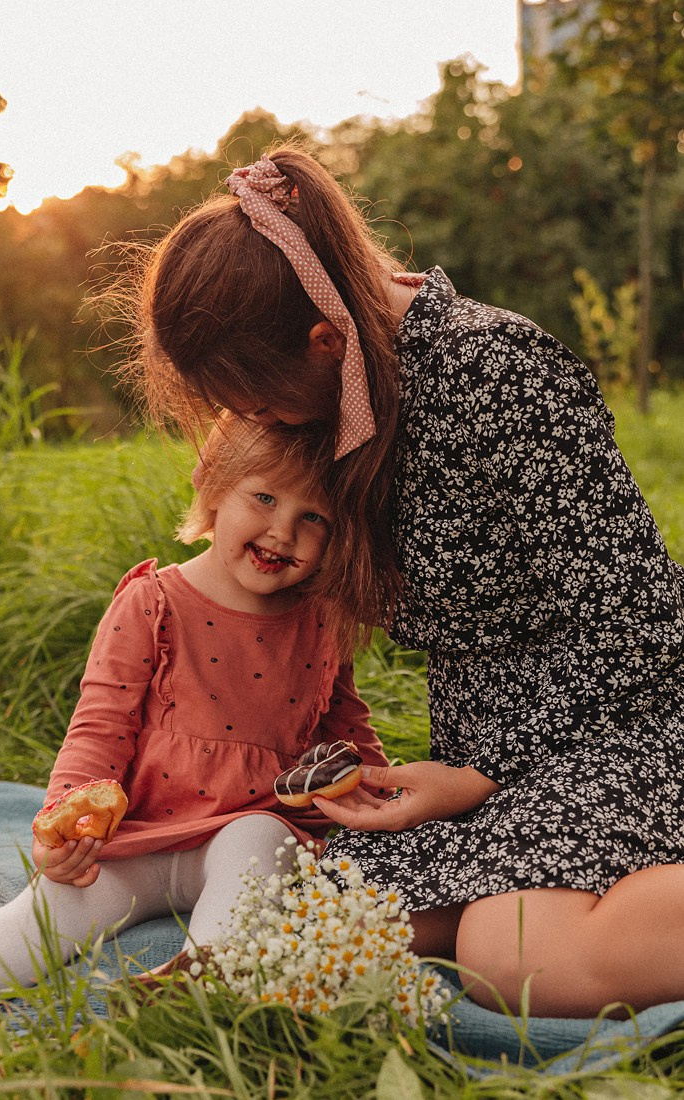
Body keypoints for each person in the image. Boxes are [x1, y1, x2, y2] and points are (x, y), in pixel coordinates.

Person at [109, 142, 684, 1020]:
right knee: (328, 914)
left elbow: (641, 621)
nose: (254, 421)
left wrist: (478, 776)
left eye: (257, 402)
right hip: (485, 748)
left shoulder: (498, 373)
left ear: (324, 341)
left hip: (624, 715)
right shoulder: (345, 392)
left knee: (515, 957)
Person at [0, 416, 389, 997]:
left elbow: (347, 735)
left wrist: (385, 800)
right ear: (213, 485)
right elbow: (99, 728)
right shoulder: (152, 603)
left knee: (261, 849)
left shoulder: (321, 623)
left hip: (249, 825)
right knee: (62, 900)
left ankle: (200, 980)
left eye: (313, 517)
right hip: (140, 834)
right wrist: (63, 822)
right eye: (264, 498)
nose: (283, 532)